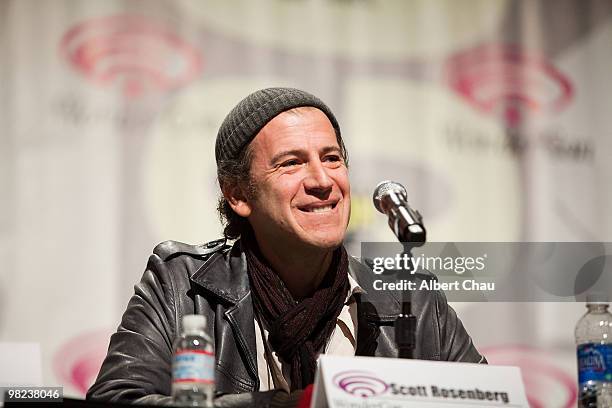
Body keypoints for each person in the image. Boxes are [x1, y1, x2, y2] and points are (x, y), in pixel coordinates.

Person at [87, 87, 486, 407]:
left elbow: (487, 401)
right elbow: (117, 398)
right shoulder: (181, 284)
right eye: (291, 163)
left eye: (332, 158)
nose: (322, 180)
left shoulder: (414, 300)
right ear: (239, 194)